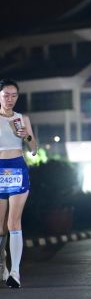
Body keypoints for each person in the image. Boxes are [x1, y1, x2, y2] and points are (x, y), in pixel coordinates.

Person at [0, 79, 38, 288]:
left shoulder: (22, 119)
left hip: (17, 169)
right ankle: (3, 266)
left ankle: (15, 272)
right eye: (6, 95)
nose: (10, 99)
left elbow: (34, 149)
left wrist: (27, 136)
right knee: (0, 227)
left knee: (14, 222)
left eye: (14, 95)